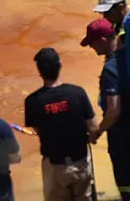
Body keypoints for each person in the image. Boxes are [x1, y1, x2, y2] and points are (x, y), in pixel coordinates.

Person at [82, 19, 130, 200]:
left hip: (122, 138)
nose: (91, 47)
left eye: (92, 42)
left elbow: (113, 111)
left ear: (103, 39)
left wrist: (98, 130)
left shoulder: (110, 69)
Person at [24, 48, 98, 201]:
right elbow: (93, 128)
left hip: (54, 165)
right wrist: (91, 138)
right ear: (60, 65)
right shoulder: (78, 93)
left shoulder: (32, 101)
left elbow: (39, 131)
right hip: (80, 161)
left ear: (39, 71)